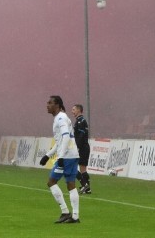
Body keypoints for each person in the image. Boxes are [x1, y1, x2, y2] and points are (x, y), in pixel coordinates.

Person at [40, 95, 81, 224]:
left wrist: (61, 156)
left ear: (57, 105)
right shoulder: (61, 117)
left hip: (67, 156)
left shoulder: (61, 118)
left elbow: (66, 137)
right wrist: (48, 155)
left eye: (50, 103)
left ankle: (65, 212)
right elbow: (60, 140)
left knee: (51, 182)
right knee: (71, 184)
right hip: (72, 154)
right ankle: (74, 216)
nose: (47, 105)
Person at [71, 104, 91, 195]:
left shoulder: (81, 121)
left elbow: (81, 136)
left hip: (82, 147)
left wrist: (77, 147)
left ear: (79, 110)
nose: (72, 111)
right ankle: (87, 188)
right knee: (83, 169)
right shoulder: (80, 121)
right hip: (83, 147)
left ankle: (85, 185)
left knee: (73, 166)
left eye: (74, 109)